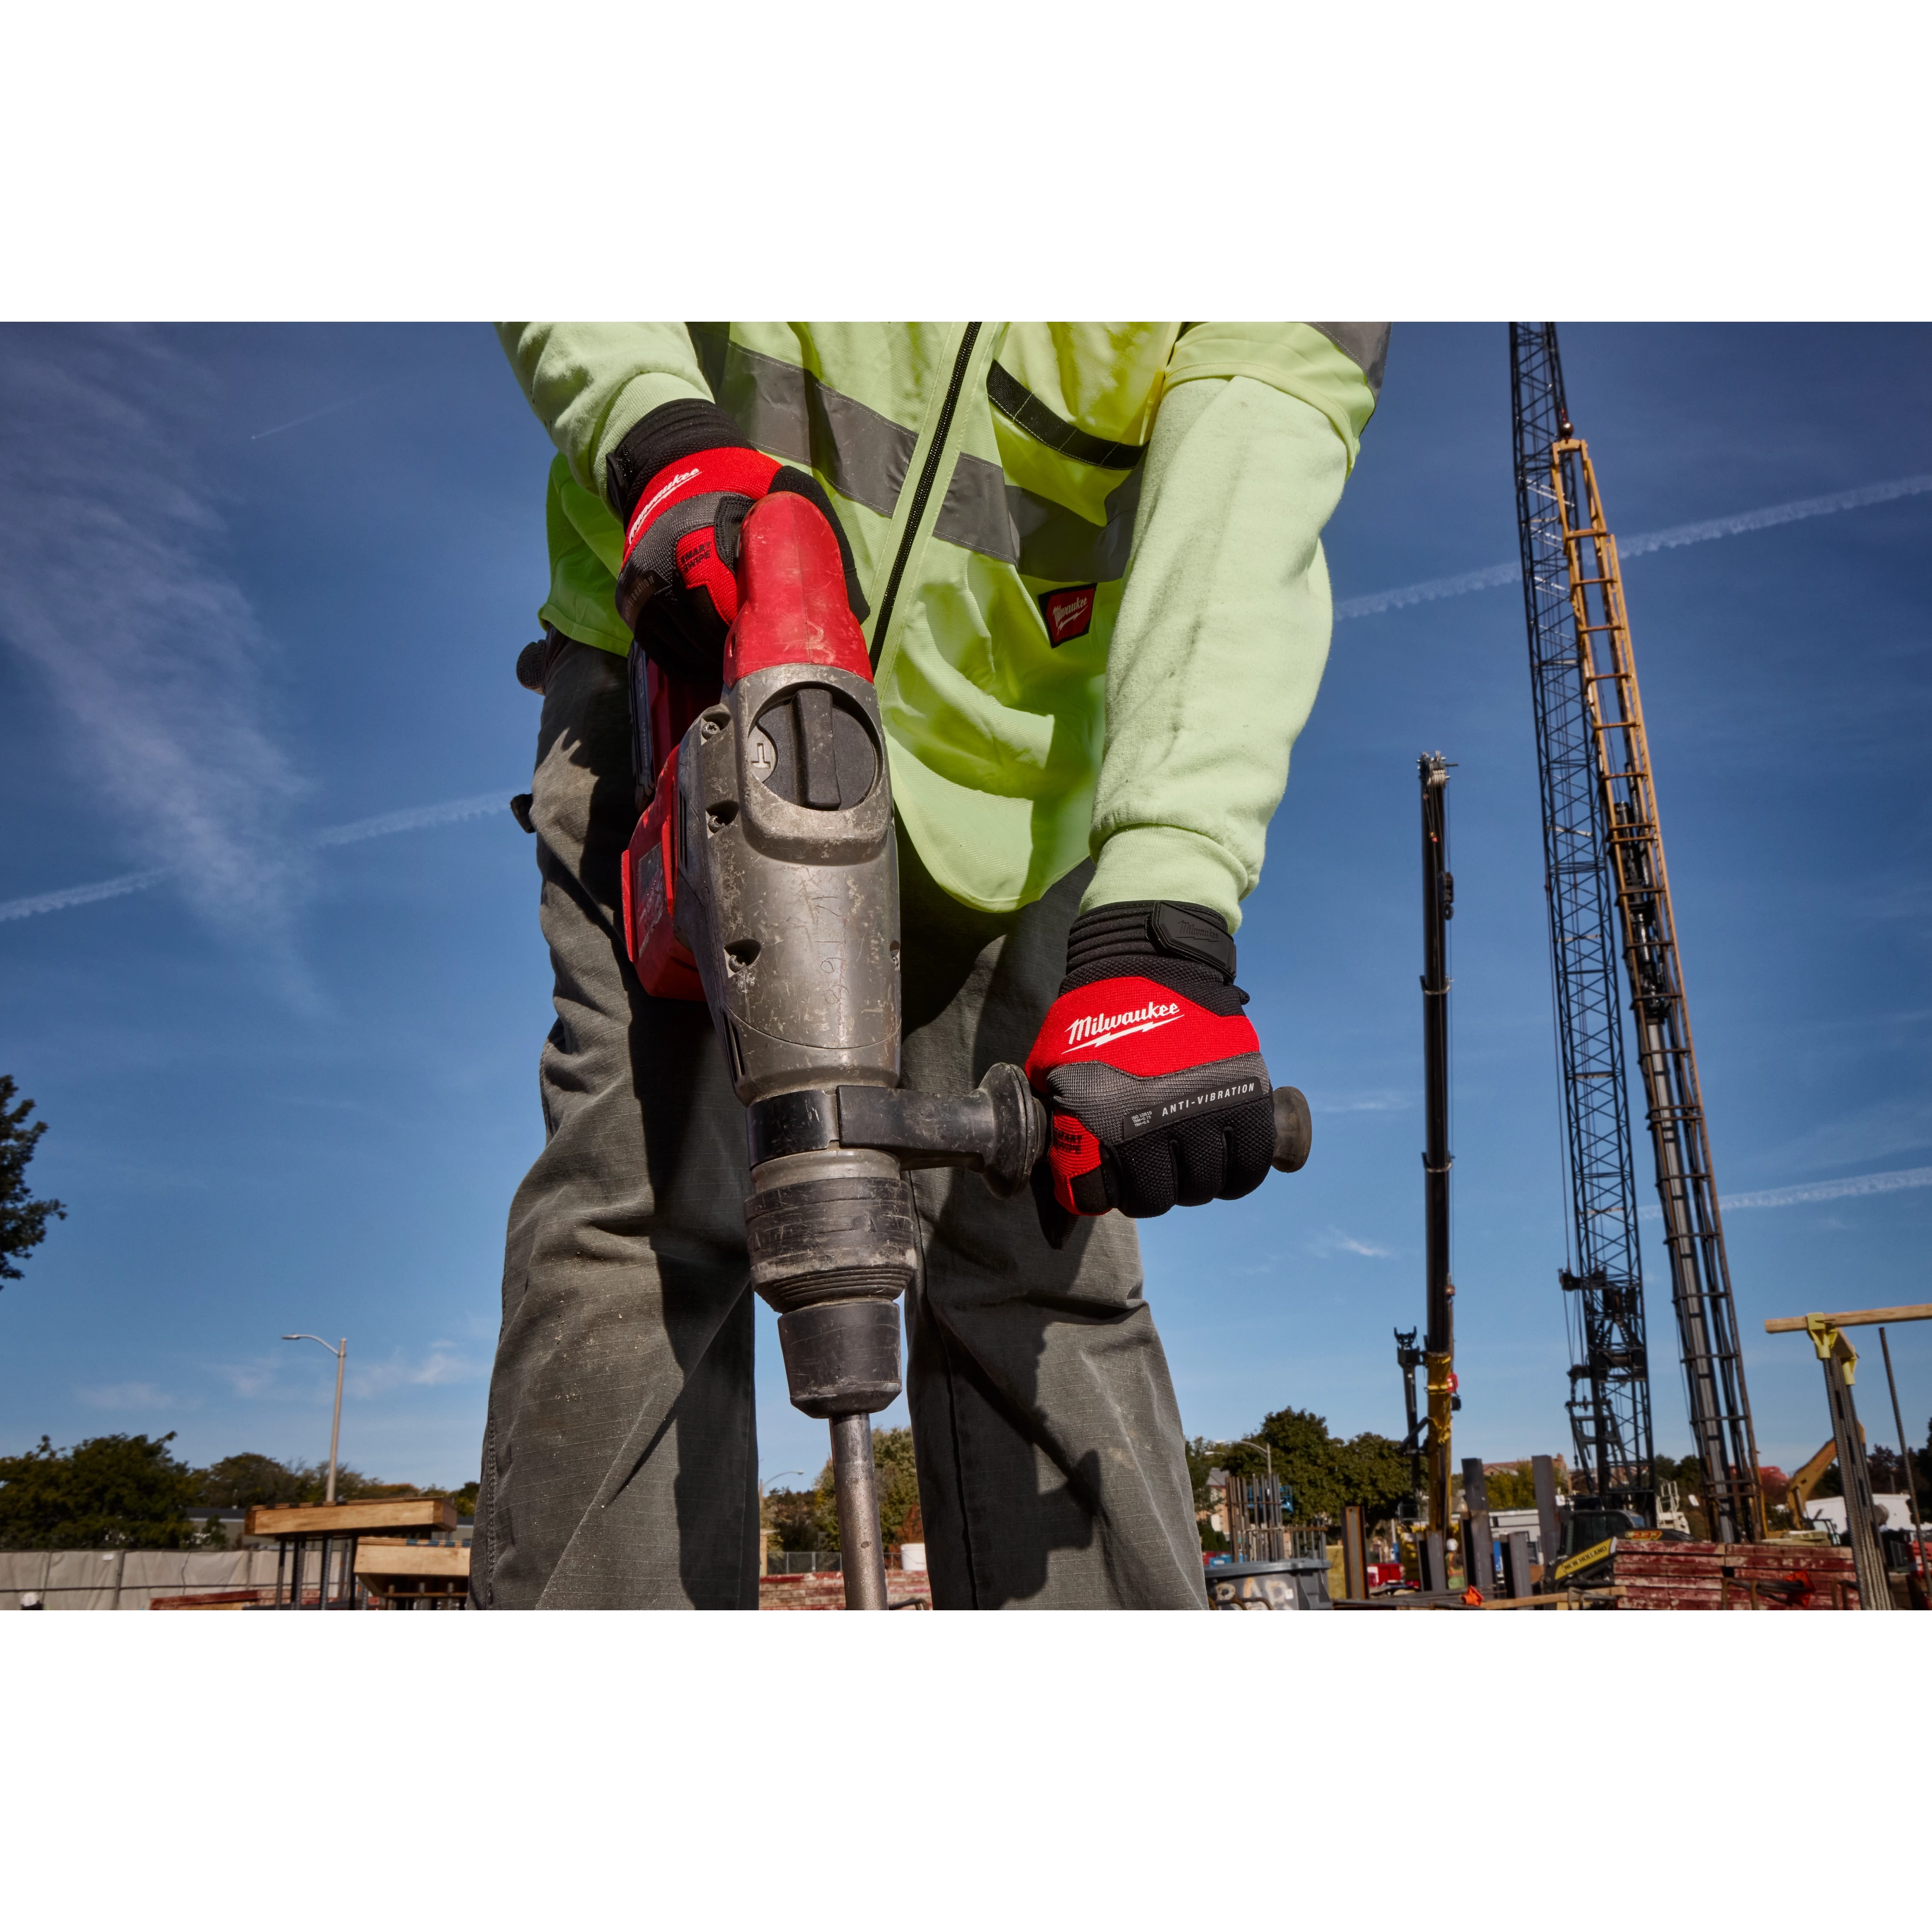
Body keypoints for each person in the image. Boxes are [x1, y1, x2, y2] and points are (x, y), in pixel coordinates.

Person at [474, 322, 1387, 1611]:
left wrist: (1166, 903)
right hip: (685, 662)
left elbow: (1257, 453)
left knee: (1046, 1273)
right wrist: (657, 433)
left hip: (1016, 786)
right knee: (643, 1217)